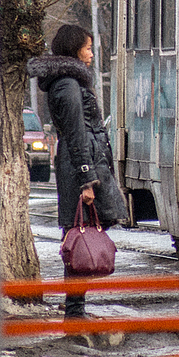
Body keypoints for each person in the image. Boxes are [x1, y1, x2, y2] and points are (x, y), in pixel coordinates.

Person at [27, 24, 128, 321]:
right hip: (80, 167)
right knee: (77, 237)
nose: (91, 54)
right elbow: (75, 134)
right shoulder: (68, 85)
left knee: (79, 233)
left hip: (84, 164)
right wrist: (87, 180)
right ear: (74, 50)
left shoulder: (70, 82)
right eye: (87, 48)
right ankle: (74, 312)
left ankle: (76, 309)